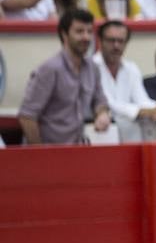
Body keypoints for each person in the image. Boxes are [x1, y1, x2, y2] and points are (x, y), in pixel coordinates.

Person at [18, 8, 111, 144]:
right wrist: (39, 153)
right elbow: (27, 116)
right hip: (49, 151)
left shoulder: (93, 68)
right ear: (64, 34)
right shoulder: (49, 69)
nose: (86, 37)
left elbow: (99, 100)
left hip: (77, 149)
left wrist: (102, 113)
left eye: (89, 32)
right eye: (79, 31)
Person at [92, 18, 156, 128]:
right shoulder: (91, 67)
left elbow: (142, 100)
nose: (116, 46)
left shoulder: (131, 68)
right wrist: (145, 112)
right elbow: (108, 104)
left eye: (121, 41)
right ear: (100, 41)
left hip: (127, 135)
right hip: (96, 134)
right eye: (111, 40)